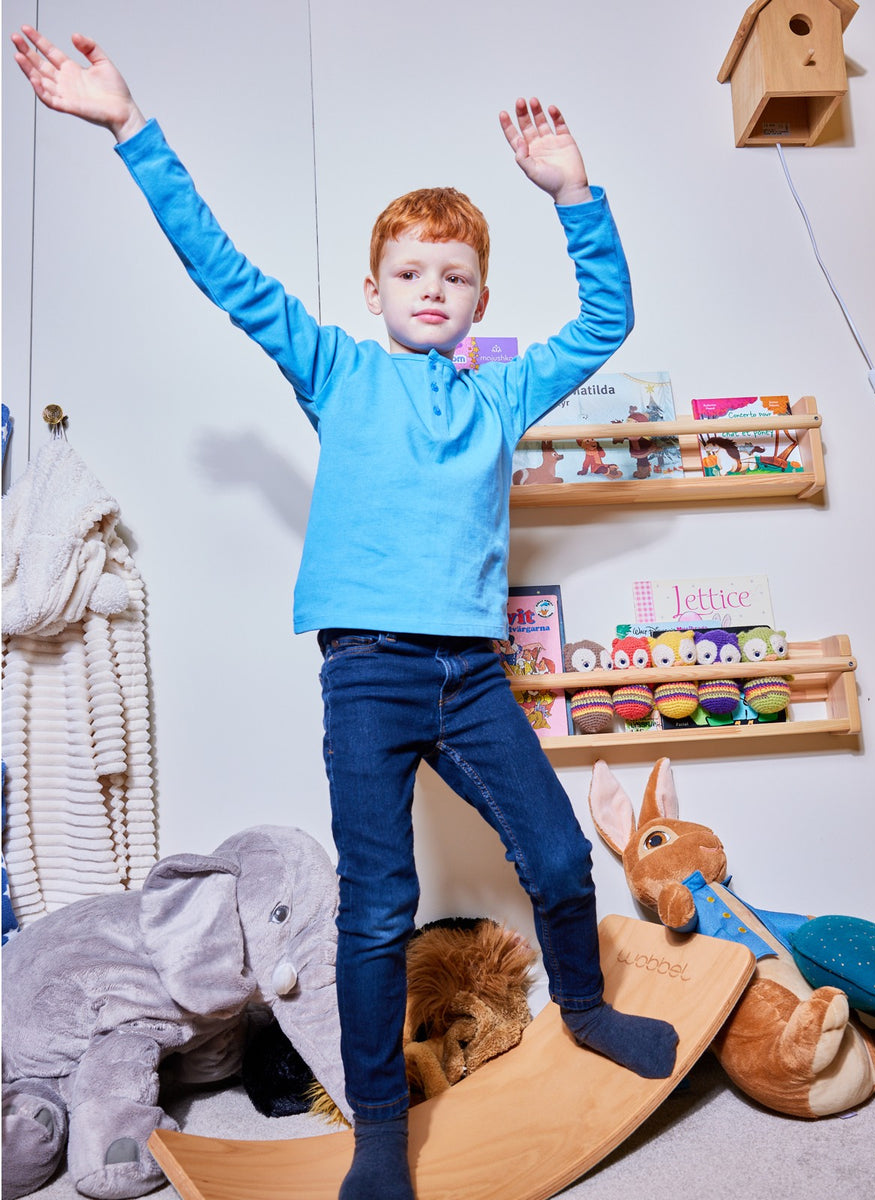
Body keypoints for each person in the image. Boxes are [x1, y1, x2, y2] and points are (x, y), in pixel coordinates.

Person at [12, 26, 679, 1200]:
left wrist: (576, 194)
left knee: (563, 854)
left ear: (480, 301)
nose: (434, 291)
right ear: (374, 291)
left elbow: (608, 319)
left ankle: (581, 1006)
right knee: (380, 906)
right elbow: (222, 268)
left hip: (470, 675)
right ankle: (379, 1127)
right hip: (367, 672)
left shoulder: (503, 391)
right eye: (412, 274)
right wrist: (130, 127)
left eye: (456, 277)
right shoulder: (336, 370)